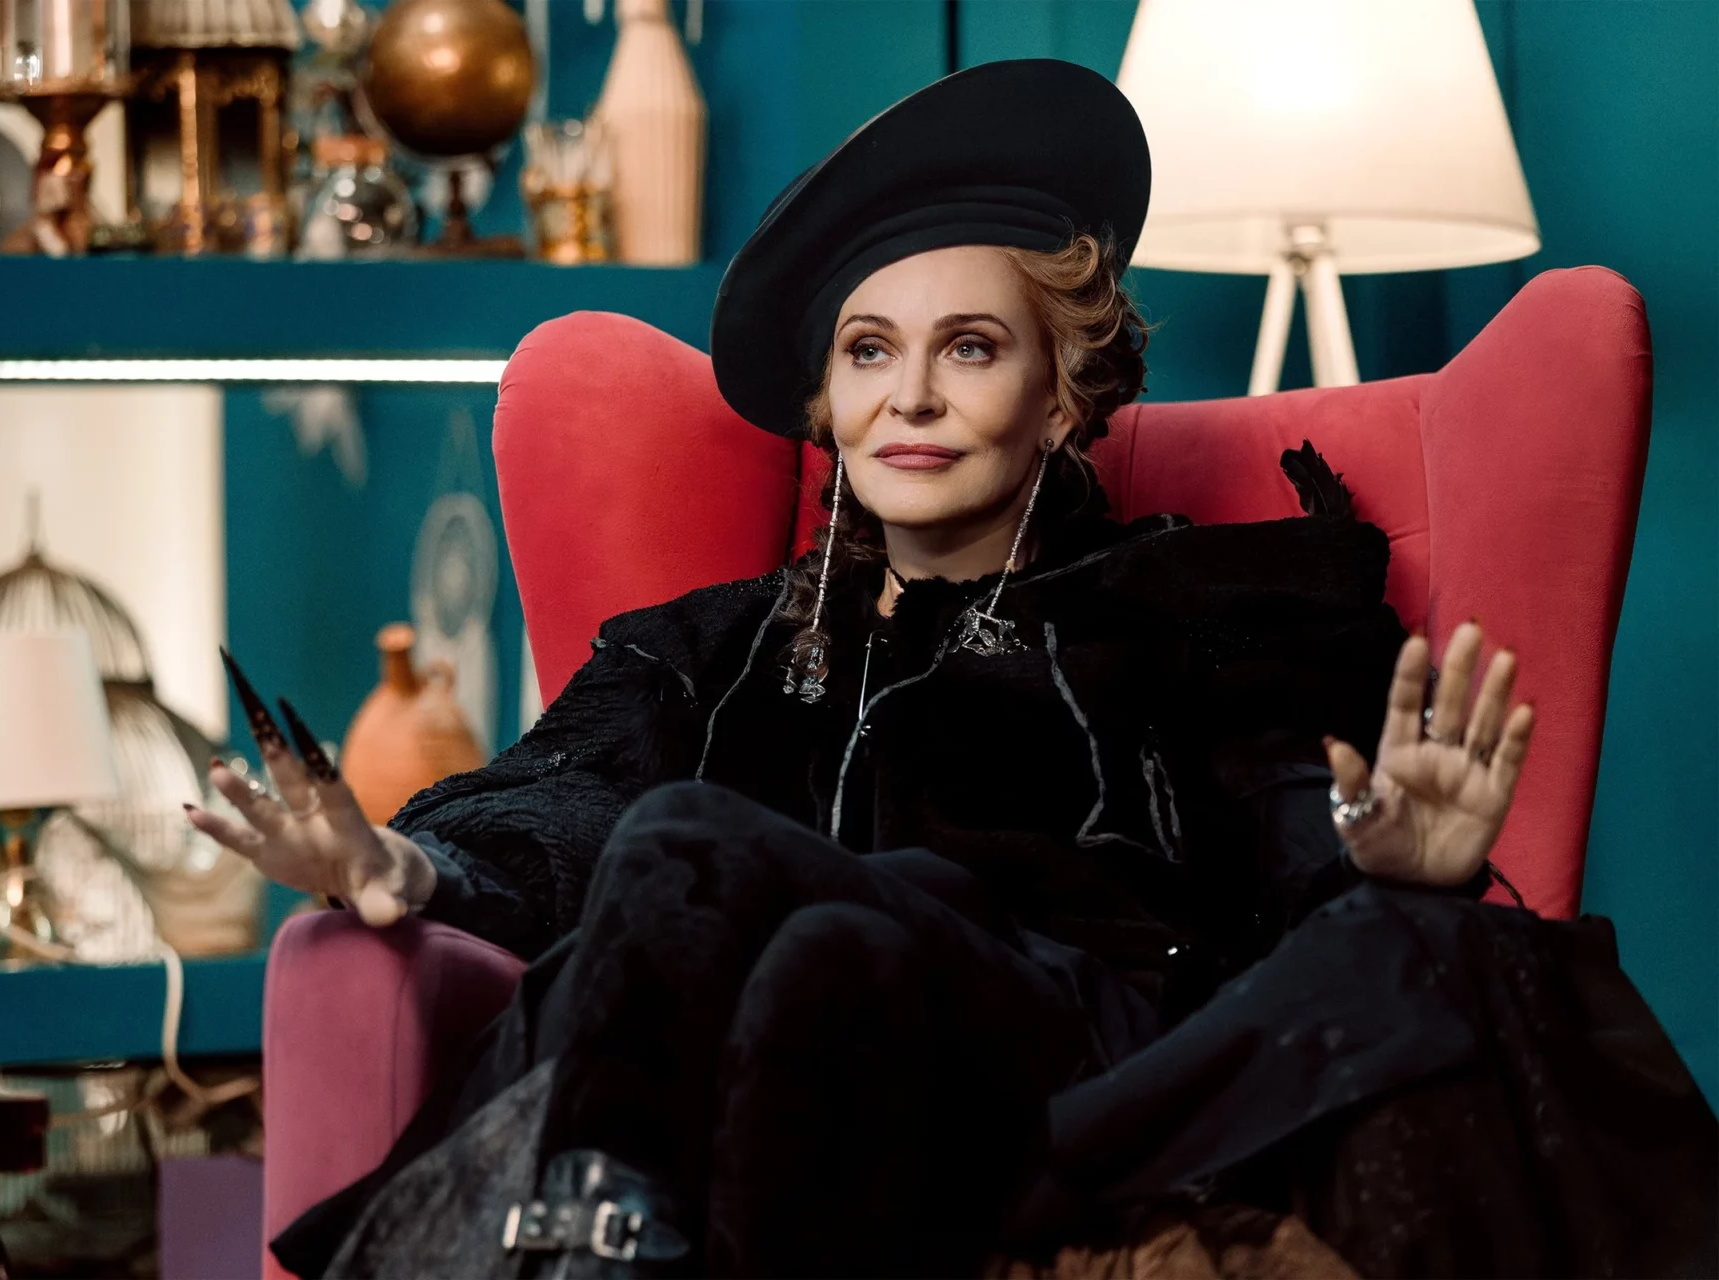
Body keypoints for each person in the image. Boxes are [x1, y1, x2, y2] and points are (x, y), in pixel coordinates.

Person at [189, 60, 1716, 1280]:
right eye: (869, 350)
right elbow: (561, 801)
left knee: (701, 843)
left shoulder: (1196, 608)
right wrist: (403, 866)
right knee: (798, 944)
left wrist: (1394, 863)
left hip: (1083, 1075)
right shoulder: (712, 648)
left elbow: (1292, 835)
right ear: (827, 396)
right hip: (821, 1083)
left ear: (1059, 391)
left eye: (970, 347)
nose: (909, 396)